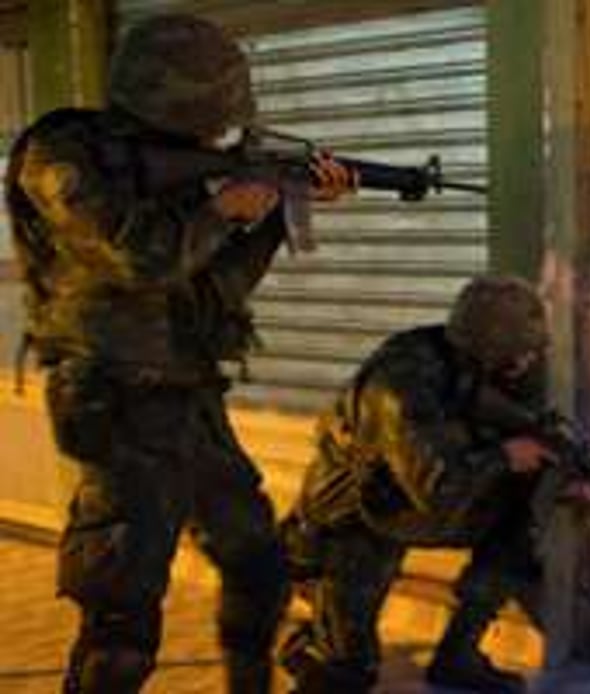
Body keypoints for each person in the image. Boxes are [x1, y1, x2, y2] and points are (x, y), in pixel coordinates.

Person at [3, 14, 356, 694]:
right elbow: (138, 258)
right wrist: (226, 207)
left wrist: (280, 208)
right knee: (122, 614)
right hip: (115, 397)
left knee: (258, 566)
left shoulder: (186, 176)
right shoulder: (63, 154)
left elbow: (217, 283)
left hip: (187, 396)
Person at [279, 275, 590, 693]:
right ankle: (306, 646)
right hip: (348, 523)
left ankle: (458, 656)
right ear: (491, 344)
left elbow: (496, 433)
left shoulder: (463, 361)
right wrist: (506, 455)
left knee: (523, 504)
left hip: (399, 507)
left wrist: (563, 479)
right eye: (520, 351)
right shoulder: (400, 386)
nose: (528, 360)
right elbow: (436, 489)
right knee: (348, 672)